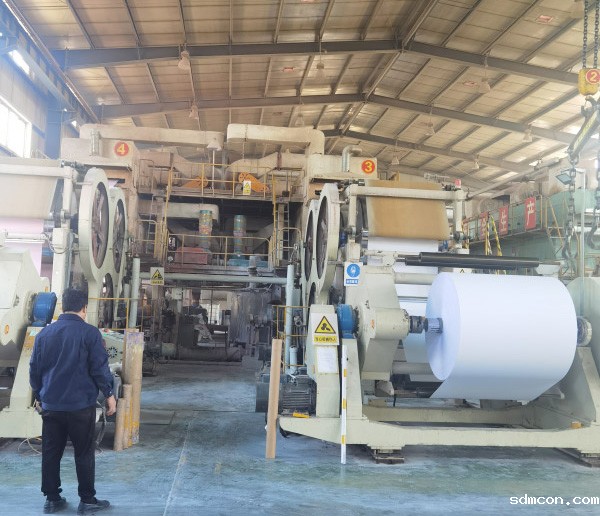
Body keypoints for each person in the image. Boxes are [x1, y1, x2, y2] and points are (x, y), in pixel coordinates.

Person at [30, 288, 116, 514]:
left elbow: (34, 370)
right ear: (84, 308)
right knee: (84, 452)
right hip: (80, 406)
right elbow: (99, 369)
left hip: (51, 405)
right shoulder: (90, 334)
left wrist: (39, 396)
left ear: (62, 307)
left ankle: (52, 499)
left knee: (51, 452)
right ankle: (87, 500)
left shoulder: (43, 335)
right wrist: (109, 395)